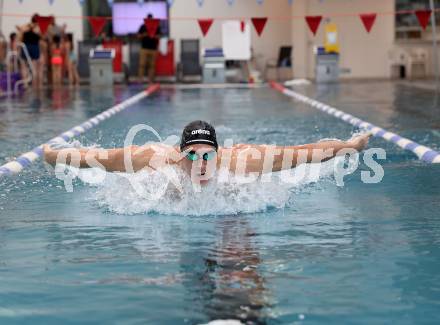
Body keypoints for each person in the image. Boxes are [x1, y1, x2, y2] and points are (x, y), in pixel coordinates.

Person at [43, 120, 371, 187]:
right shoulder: (152, 159)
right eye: (192, 156)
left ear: (219, 152)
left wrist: (351, 146)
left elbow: (303, 153)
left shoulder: (243, 162)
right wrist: (53, 156)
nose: (200, 164)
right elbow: (98, 158)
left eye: (207, 156)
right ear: (178, 153)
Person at [17, 14, 43, 88]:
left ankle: (25, 84)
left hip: (26, 46)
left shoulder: (26, 26)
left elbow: (20, 35)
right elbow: (42, 37)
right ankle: (35, 84)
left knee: (24, 66)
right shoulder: (38, 28)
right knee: (34, 66)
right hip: (34, 46)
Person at [137, 13, 161, 84]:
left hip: (153, 49)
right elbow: (138, 36)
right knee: (142, 65)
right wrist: (144, 35)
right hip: (144, 48)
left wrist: (153, 35)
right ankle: (140, 79)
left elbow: (159, 36)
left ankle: (150, 80)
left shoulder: (156, 27)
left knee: (152, 66)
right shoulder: (143, 27)